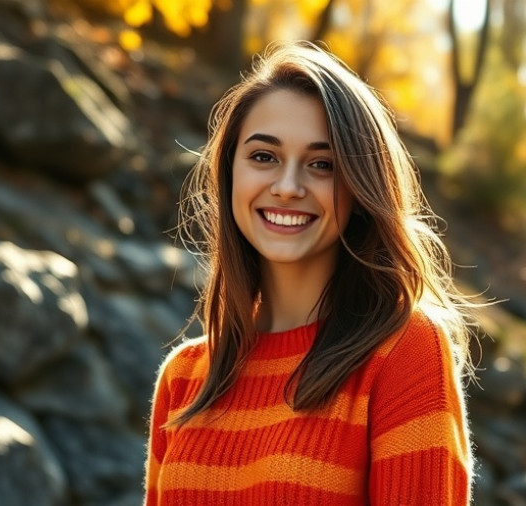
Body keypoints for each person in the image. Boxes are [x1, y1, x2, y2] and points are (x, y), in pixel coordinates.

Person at [145, 40, 476, 506]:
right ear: (229, 172)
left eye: (322, 165)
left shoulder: (404, 352)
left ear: (361, 188)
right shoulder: (183, 378)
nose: (286, 187)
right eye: (264, 156)